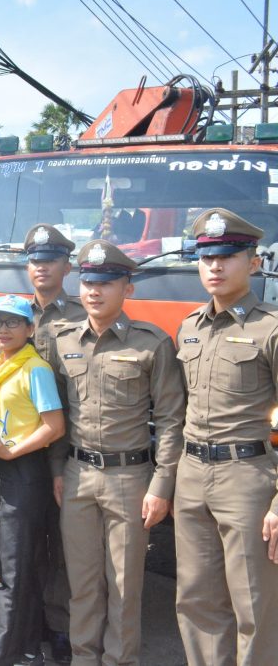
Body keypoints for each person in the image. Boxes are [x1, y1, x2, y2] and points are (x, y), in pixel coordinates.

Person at [48, 240, 185, 666]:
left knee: (124, 586)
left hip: (130, 478)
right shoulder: (64, 342)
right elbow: (58, 413)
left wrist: (162, 485)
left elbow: (171, 420)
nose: (94, 291)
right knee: (82, 583)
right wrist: (56, 470)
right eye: (88, 281)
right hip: (77, 474)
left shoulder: (152, 344)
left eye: (106, 282)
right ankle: (83, 658)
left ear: (127, 288)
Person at [174, 208, 278, 664]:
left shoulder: (270, 328)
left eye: (227, 256)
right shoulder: (189, 328)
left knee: (254, 605)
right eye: (206, 257)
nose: (214, 266)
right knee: (196, 599)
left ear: (253, 263)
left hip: (247, 477)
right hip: (192, 474)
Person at [0, 294, 65, 666]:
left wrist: (10, 452)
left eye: (12, 322)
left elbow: (54, 426)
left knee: (13, 570)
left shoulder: (34, 369)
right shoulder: (1, 365)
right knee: (23, 563)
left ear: (29, 328)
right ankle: (27, 647)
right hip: (4, 468)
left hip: (24, 472)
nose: (2, 329)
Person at [23, 222, 85, 664]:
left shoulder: (83, 315)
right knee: (24, 540)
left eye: (51, 260)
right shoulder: (14, 315)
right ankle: (30, 622)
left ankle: (61, 625)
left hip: (67, 444)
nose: (42, 267)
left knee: (63, 542)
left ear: (67, 266)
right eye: (35, 260)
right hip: (22, 447)